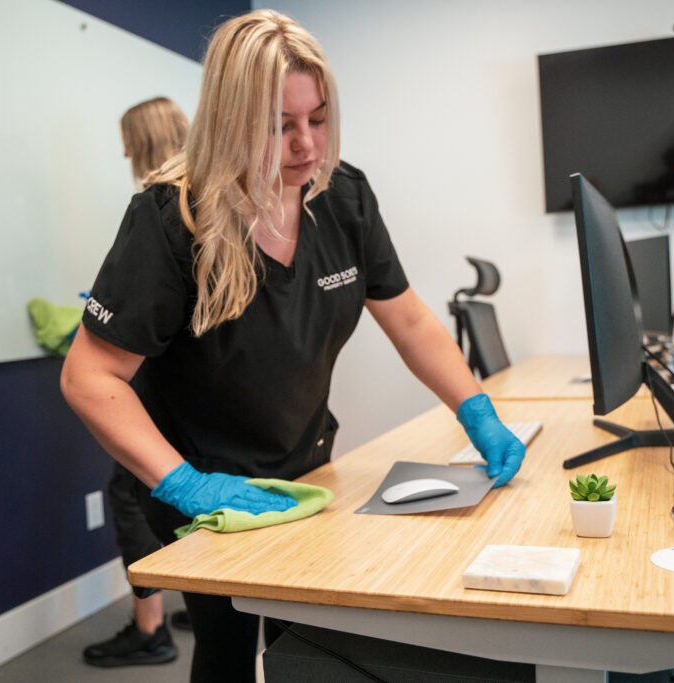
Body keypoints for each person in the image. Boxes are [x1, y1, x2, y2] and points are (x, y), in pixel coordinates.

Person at [60, 9, 526, 682]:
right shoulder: (171, 219)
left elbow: (411, 320)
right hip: (201, 482)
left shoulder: (343, 197)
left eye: (318, 117)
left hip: (304, 465)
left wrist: (475, 408)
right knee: (225, 640)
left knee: (306, 639)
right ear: (230, 120)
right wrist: (186, 484)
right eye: (279, 125)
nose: (306, 144)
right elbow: (90, 377)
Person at [80, 96, 190, 669]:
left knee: (130, 490)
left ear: (140, 141)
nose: (123, 151)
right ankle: (203, 599)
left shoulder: (155, 203)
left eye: (127, 140)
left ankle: (149, 629)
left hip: (153, 383)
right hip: (199, 392)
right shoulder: (214, 194)